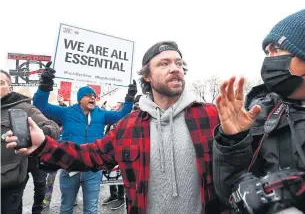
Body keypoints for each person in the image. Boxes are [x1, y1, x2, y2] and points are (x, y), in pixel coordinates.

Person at [6, 41, 227, 214]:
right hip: (72, 175)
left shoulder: (210, 115)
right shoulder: (128, 127)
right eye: (164, 63)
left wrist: (240, 137)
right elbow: (90, 155)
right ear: (147, 76)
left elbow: (237, 170)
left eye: (179, 63)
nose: (175, 69)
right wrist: (44, 145)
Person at [213, 10, 305, 214]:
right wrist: (234, 140)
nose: (269, 60)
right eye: (267, 52)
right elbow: (228, 190)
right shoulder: (260, 110)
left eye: (278, 49)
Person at [32, 62, 136, 214]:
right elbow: (40, 106)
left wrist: (129, 98)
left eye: (94, 95)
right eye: (89, 95)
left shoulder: (102, 114)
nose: (93, 97)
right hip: (70, 166)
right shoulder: (67, 112)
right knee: (66, 207)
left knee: (91, 208)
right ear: (80, 99)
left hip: (93, 168)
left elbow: (122, 115)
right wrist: (45, 85)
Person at [1, 70, 60, 214]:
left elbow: (52, 127)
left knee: (39, 185)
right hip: (19, 170)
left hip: (13, 177)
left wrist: (33, 136)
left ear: (10, 88)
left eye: (1, 83)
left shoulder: (23, 107)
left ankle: (37, 210)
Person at [42, 94, 67, 209]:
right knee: (49, 181)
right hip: (51, 157)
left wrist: (62, 103)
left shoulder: (65, 126)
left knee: (70, 177)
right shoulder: (47, 124)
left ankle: (72, 198)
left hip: (65, 156)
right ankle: (46, 199)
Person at [103, 100, 125, 210]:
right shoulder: (112, 120)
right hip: (111, 152)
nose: (114, 108)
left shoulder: (125, 120)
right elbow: (107, 133)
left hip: (121, 152)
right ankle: (113, 194)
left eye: (117, 107)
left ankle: (121, 197)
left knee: (119, 174)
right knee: (110, 173)